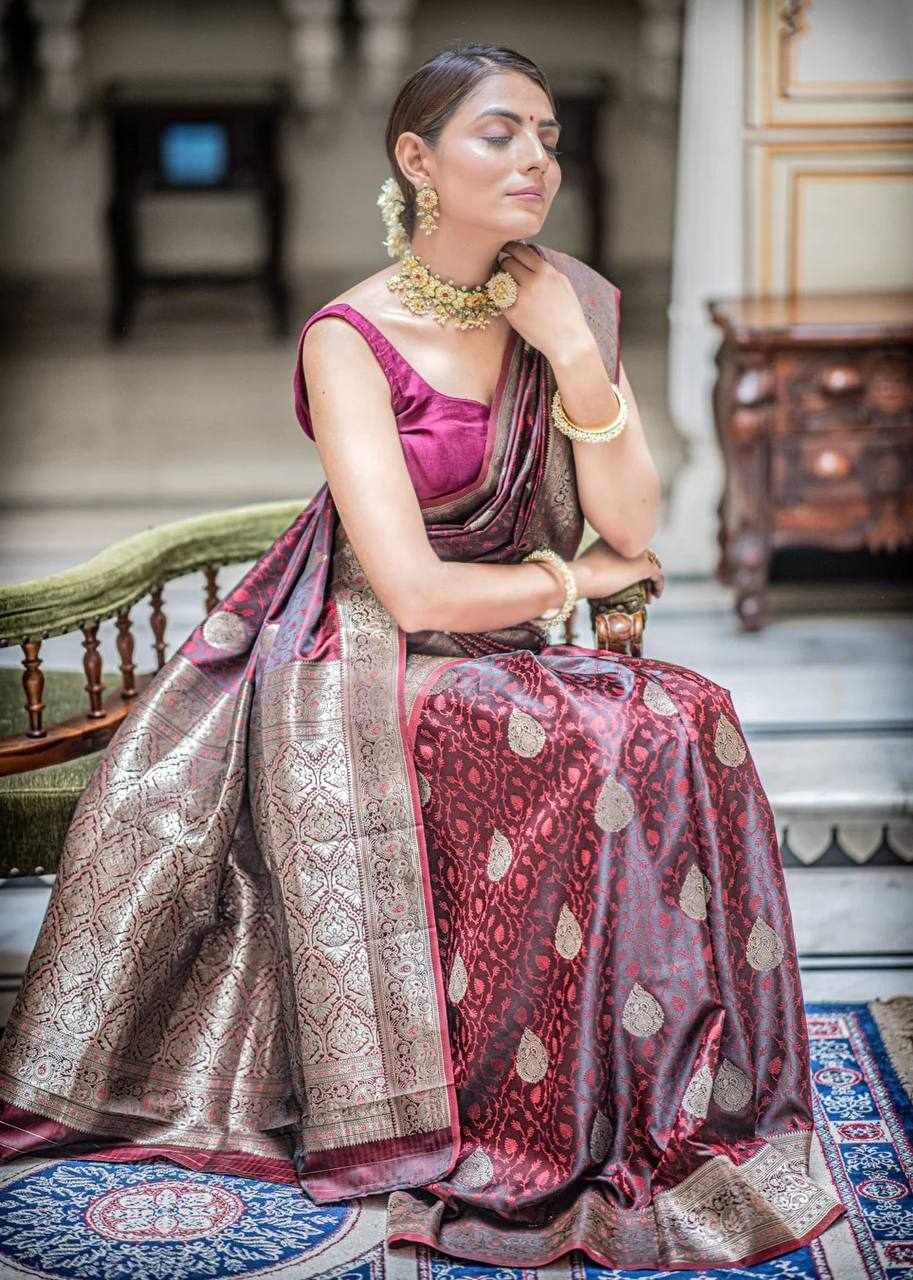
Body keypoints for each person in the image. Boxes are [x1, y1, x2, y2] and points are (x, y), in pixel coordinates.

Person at [0, 40, 845, 1271]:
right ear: (418, 159)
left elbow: (632, 525)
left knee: (687, 711)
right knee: (597, 733)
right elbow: (408, 586)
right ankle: (521, 1102)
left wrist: (574, 357)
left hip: (502, 641)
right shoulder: (351, 337)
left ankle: (649, 1085)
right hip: (358, 658)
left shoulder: (569, 304)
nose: (536, 159)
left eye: (548, 137)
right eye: (500, 133)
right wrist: (570, 582)